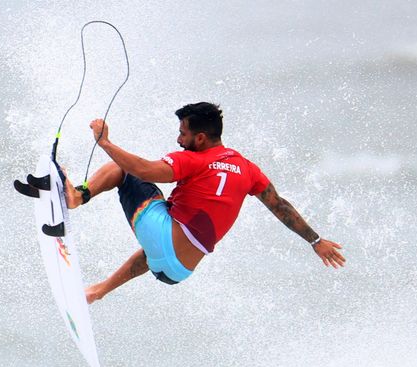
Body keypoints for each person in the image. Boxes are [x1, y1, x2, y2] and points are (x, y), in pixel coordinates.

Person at [63, 102, 345, 304]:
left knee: (123, 170)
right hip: (177, 272)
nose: (178, 138)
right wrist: (315, 240)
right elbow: (280, 206)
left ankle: (77, 196)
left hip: (163, 238)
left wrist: (105, 143)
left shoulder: (194, 159)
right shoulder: (248, 169)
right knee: (168, 232)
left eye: (183, 133)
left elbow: (144, 171)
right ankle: (99, 291)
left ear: (200, 138)